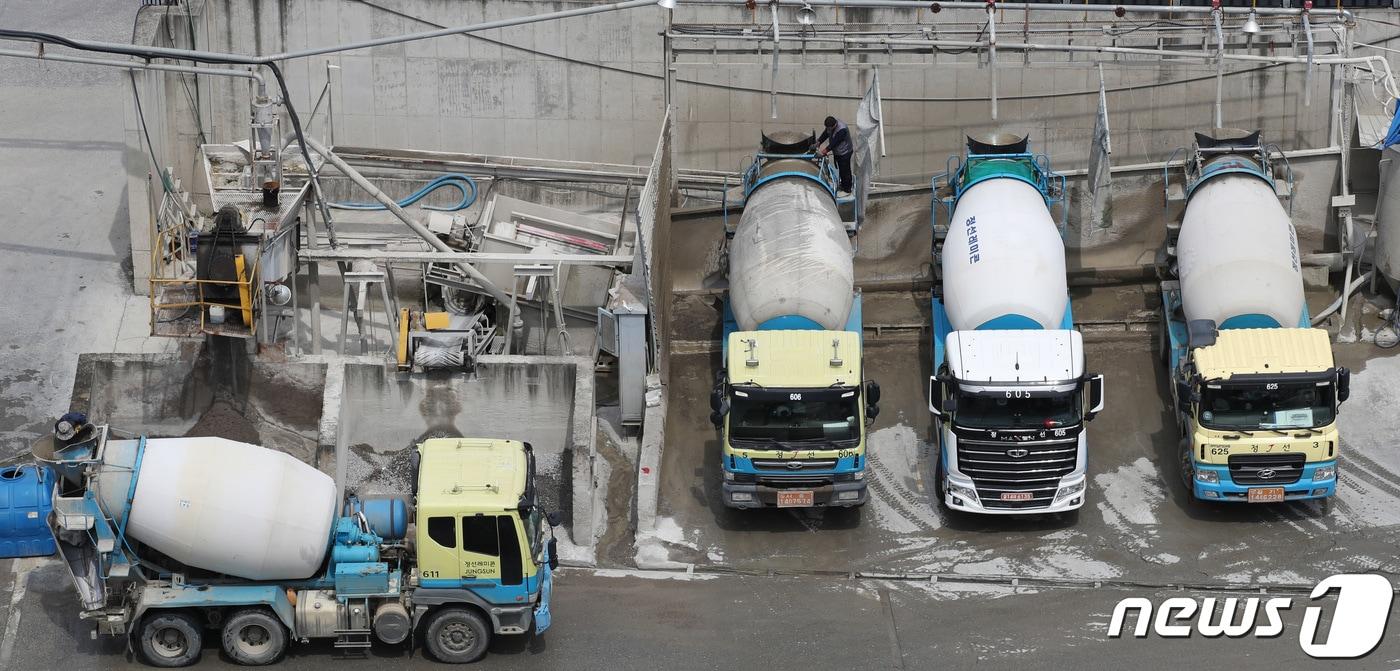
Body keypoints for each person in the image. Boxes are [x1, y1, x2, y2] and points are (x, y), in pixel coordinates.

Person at [816, 115, 853, 195]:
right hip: (839, 151)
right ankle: (843, 185)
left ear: (834, 125)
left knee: (845, 170)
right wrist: (818, 142)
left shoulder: (841, 129)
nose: (828, 130)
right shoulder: (831, 124)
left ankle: (847, 189)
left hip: (845, 152)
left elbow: (834, 143)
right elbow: (825, 134)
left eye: (829, 128)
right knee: (841, 169)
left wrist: (823, 152)